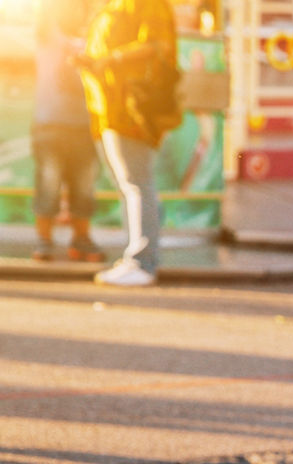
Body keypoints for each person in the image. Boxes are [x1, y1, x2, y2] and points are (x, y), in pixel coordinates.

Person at [75, 0, 181, 287]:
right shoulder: (114, 5)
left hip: (132, 108)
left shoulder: (147, 4)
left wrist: (110, 59)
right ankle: (135, 257)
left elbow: (159, 46)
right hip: (108, 106)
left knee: (137, 183)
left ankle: (142, 261)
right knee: (129, 185)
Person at [32, 0, 104, 264]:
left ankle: (81, 239)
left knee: (84, 186)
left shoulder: (96, 35)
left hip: (85, 125)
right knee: (48, 183)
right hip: (49, 123)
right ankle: (44, 240)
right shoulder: (47, 31)